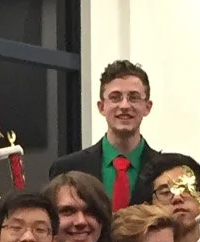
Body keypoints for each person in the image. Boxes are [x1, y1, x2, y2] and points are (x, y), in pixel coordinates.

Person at [48, 60, 165, 210]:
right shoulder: (66, 169)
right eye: (115, 97)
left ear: (147, 107)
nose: (124, 106)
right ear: (101, 107)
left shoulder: (166, 171)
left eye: (133, 97)